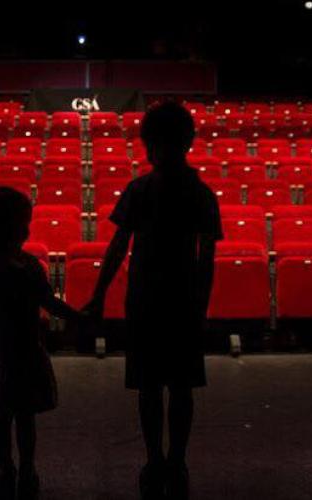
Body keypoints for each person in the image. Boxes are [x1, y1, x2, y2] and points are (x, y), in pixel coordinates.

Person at [83, 101, 223, 499]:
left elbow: (117, 247)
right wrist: (201, 305)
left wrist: (97, 295)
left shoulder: (140, 189)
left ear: (150, 145)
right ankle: (175, 459)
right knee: (180, 387)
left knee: (152, 387)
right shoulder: (200, 193)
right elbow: (206, 259)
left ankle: (157, 458)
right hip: (180, 301)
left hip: (146, 299)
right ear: (189, 142)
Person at [0, 187, 83, 500]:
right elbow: (49, 303)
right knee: (24, 416)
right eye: (23, 223)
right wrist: (81, 318)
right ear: (10, 227)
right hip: (22, 349)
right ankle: (26, 469)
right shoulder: (27, 266)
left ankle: (7, 469)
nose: (28, 228)